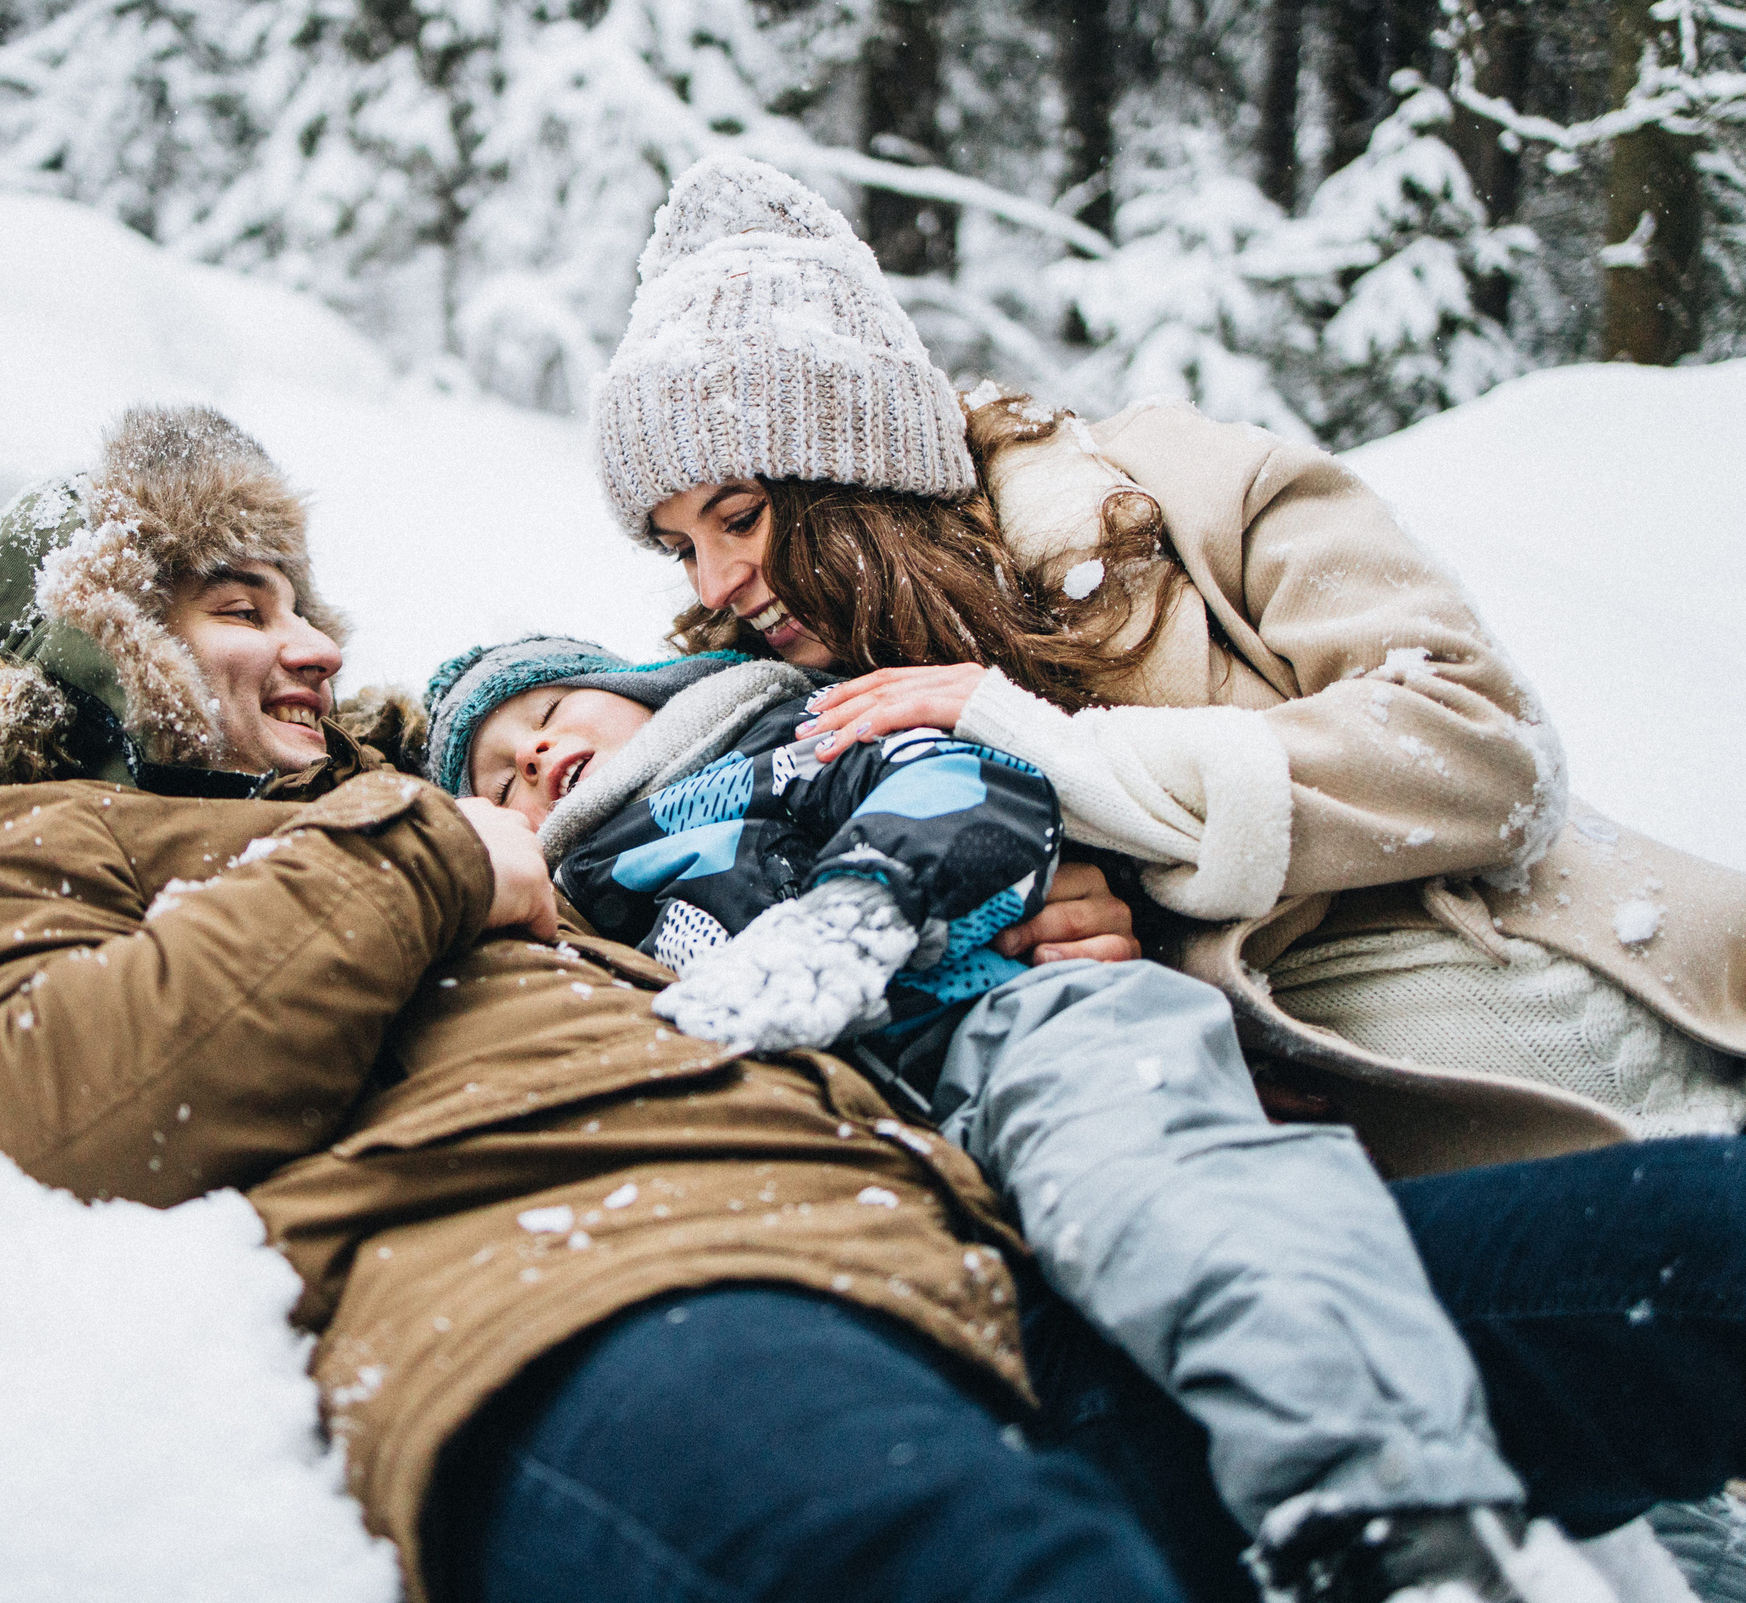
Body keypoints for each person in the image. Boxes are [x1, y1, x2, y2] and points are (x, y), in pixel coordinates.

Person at [0, 402, 1746, 1603]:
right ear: (91, 649)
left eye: (301, 601)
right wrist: (438, 860)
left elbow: (777, 755)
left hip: (1020, 1282)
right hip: (616, 1292)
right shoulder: (37, 844)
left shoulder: (510, 768)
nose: (308, 643)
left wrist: (1023, 896)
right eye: (233, 608)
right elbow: (45, 1100)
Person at [587, 151, 1746, 1175]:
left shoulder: (1185, 489)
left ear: (851, 474)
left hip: (1655, 1026)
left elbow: (1480, 752)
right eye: (678, 545)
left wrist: (1067, 758)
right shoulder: (790, 716)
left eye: (740, 517)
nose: (715, 586)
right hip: (1406, 1170)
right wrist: (1093, 935)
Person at [422, 633, 1590, 1595]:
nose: (530, 757)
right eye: (494, 777)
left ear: (641, 691)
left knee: (1166, 1194)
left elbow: (969, 782)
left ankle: (1397, 1509)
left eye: (548, 711)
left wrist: (865, 901)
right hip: (874, 1130)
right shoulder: (573, 904)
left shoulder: (785, 734)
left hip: (1013, 1019)